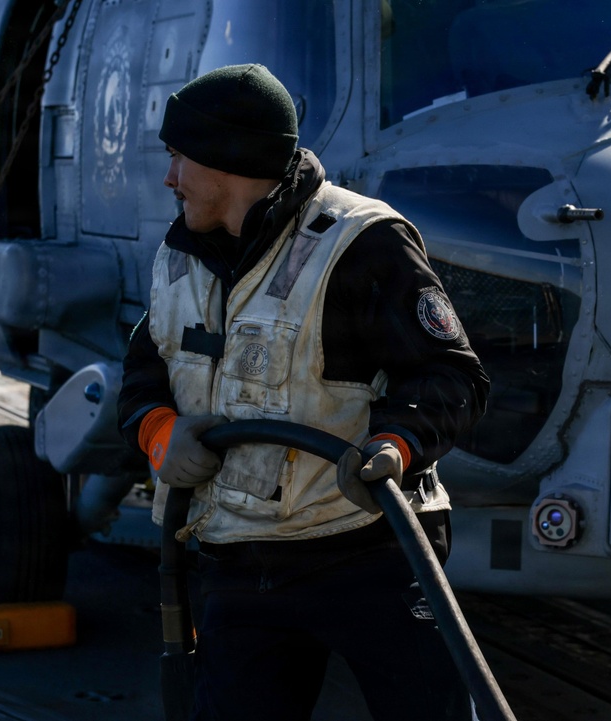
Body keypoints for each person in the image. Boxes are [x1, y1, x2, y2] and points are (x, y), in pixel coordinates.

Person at [117, 64, 491, 721]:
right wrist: (158, 432)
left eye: (177, 158)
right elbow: (146, 372)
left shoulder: (361, 245)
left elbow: (451, 376)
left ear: (224, 158)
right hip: (239, 562)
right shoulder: (178, 258)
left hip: (369, 552)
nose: (169, 177)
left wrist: (396, 448)